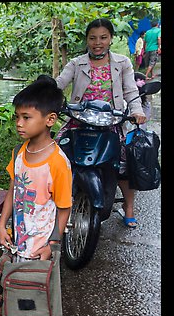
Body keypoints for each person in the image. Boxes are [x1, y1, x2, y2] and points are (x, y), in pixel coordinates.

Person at [0, 75, 72, 316]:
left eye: (26, 117)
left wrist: (53, 243)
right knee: (20, 286)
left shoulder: (58, 163)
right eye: (17, 117)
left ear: (50, 119)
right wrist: (2, 224)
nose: (19, 123)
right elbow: (13, 189)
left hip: (41, 242)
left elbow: (64, 207)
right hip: (18, 237)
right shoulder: (20, 152)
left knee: (33, 290)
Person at [55, 18, 146, 228]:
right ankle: (53, 201)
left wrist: (137, 111)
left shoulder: (122, 63)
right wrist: (45, 91)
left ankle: (129, 208)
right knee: (56, 152)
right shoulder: (76, 63)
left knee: (124, 162)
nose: (98, 42)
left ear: (110, 39)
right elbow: (60, 83)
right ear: (87, 40)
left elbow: (131, 90)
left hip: (111, 121)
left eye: (103, 37)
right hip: (80, 120)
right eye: (93, 38)